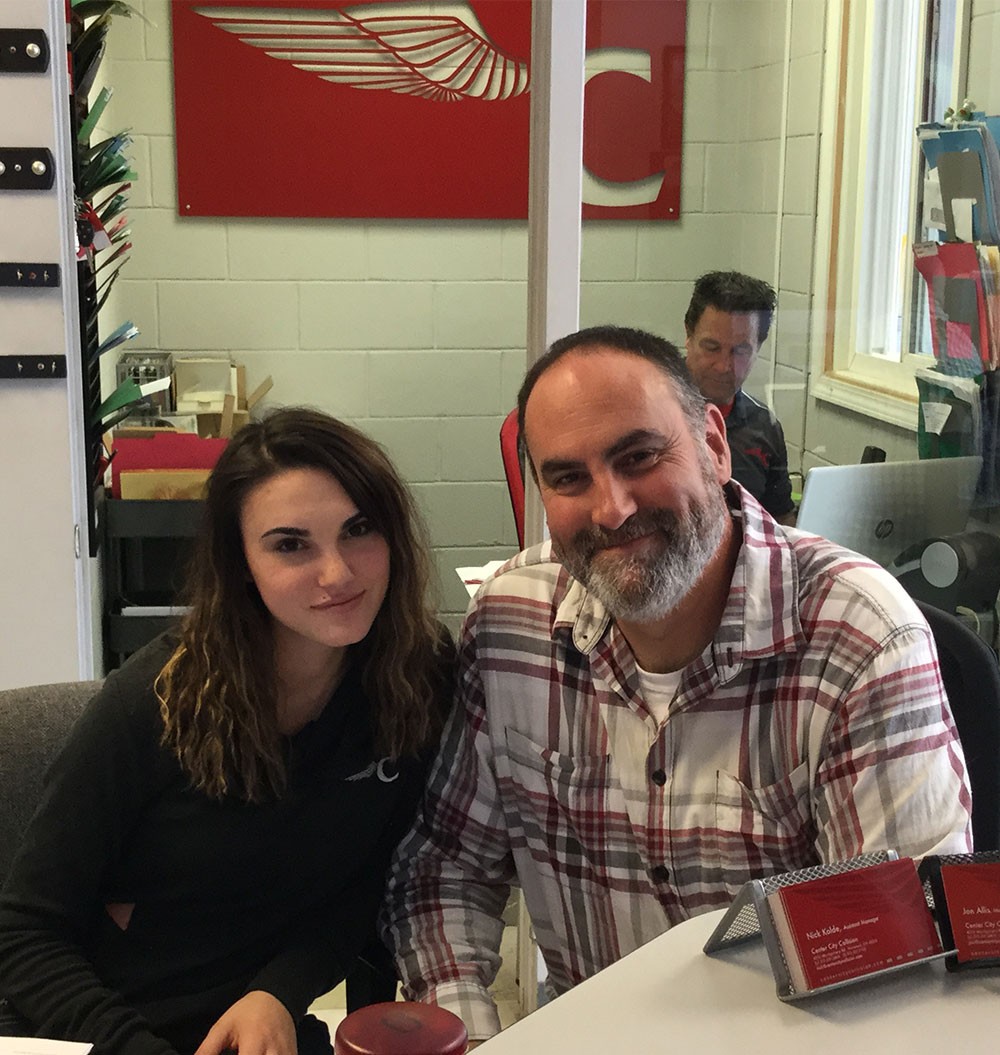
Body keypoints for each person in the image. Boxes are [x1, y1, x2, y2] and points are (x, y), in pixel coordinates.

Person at [382, 325, 972, 1044]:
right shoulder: (511, 623)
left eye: (639, 456)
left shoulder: (858, 636)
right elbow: (447, 872)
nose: (612, 508)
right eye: (569, 477)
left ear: (715, 445)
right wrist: (470, 1036)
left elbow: (902, 961)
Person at [0, 408, 452, 1055]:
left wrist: (278, 992)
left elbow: (366, 886)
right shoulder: (158, 698)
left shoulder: (415, 680)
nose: (338, 573)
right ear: (240, 561)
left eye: (359, 529)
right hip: (95, 1025)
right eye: (291, 544)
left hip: (257, 1023)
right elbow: (24, 929)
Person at [684, 270, 796, 523]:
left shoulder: (764, 427)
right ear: (688, 336)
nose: (724, 365)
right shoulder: (648, 412)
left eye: (741, 351)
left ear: (759, 348)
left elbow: (781, 520)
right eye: (711, 348)